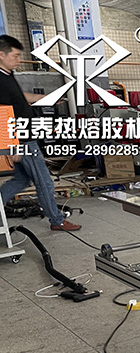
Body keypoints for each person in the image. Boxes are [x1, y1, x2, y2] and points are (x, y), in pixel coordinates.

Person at [0, 34, 81, 231]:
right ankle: (57, 220)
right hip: (23, 140)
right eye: (15, 56)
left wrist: (46, 98)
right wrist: (13, 145)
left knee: (21, 179)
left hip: (24, 137)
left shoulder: (8, 75)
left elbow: (20, 98)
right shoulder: (0, 80)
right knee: (44, 182)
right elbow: (2, 113)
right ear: (1, 54)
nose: (19, 60)